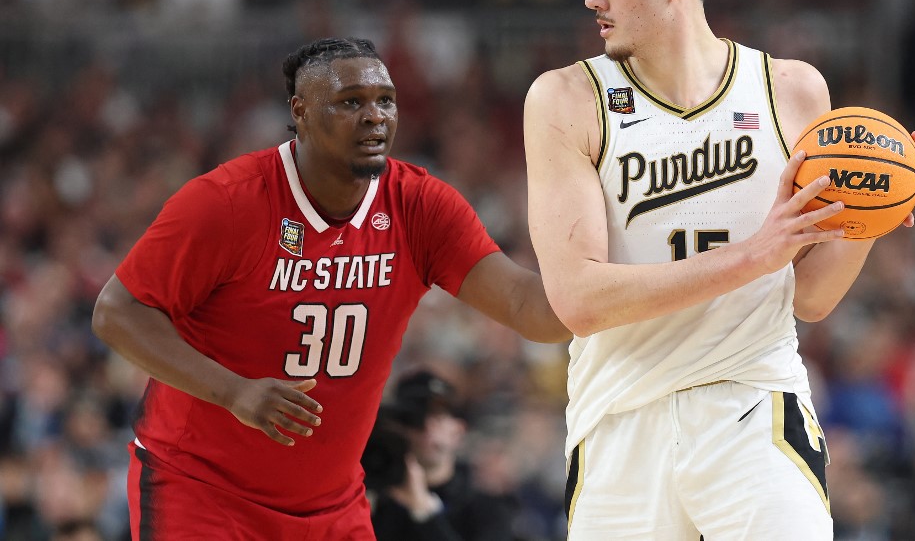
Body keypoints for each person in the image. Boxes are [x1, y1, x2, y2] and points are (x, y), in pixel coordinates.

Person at [522, 0, 915, 540]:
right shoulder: (566, 98)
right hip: (618, 421)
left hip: (754, 405)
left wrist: (869, 219)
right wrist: (754, 255)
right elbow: (578, 298)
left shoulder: (792, 90)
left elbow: (814, 297)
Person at [92, 37, 570, 540]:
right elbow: (117, 312)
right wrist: (234, 392)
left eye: (385, 100)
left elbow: (526, 306)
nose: (375, 116)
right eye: (350, 102)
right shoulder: (227, 202)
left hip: (331, 507)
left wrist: (642, 278)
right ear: (300, 110)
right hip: (202, 490)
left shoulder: (419, 206)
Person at [368, 368, 517, 540]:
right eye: (412, 420)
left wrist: (424, 511)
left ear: (458, 431)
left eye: (437, 418)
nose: (425, 429)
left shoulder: (486, 508)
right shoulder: (378, 496)